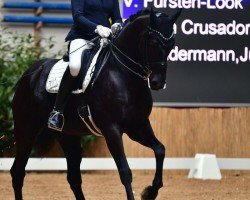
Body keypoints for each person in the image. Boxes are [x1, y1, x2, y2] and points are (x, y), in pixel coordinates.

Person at [48, 0, 122, 132]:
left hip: (105, 38)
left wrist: (117, 24)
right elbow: (78, 16)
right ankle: (57, 111)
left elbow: (116, 16)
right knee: (75, 67)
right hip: (82, 36)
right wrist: (96, 27)